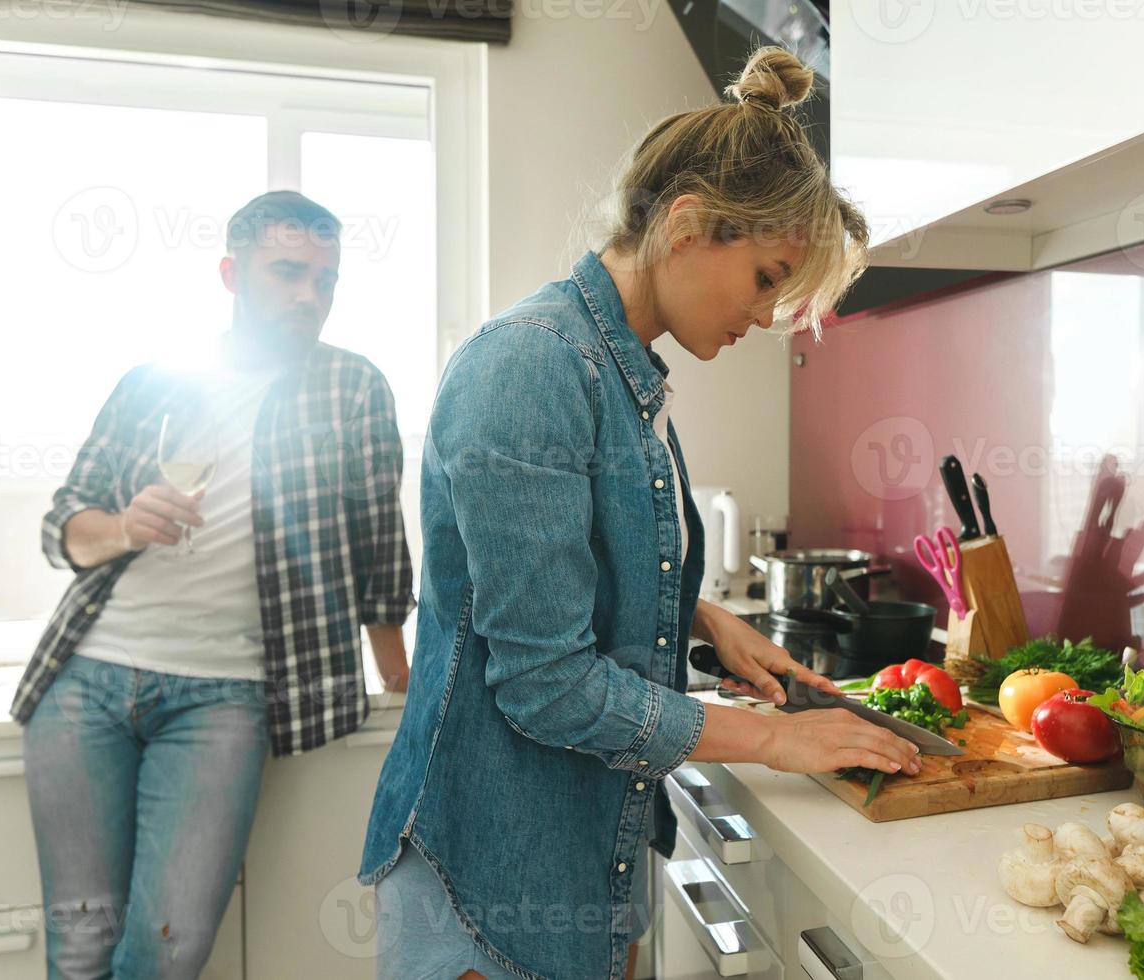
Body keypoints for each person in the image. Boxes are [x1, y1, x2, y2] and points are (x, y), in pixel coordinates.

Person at [359, 47, 920, 980]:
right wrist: (776, 737)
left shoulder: (622, 375)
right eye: (767, 276)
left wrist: (705, 617)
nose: (768, 314)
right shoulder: (531, 366)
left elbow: (569, 559)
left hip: (586, 848)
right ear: (689, 225)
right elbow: (546, 683)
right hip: (492, 872)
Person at [12, 191, 415, 978]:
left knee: (165, 953)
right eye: (289, 272)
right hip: (84, 683)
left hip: (224, 697)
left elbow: (378, 543)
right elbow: (63, 523)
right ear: (231, 273)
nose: (310, 295)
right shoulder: (153, 381)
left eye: (326, 280)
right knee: (81, 945)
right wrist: (126, 526)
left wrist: (397, 669)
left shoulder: (352, 388)